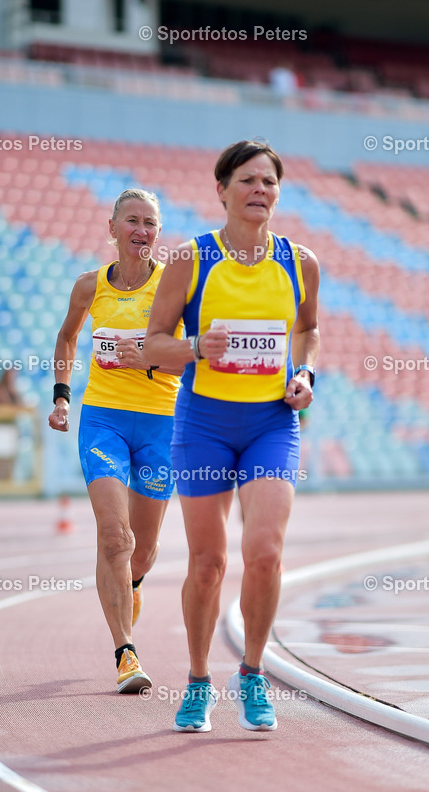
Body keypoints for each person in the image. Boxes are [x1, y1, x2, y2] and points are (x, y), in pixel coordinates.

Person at [144, 139, 320, 732]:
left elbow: (309, 333)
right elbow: (152, 345)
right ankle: (197, 681)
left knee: (265, 554)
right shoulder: (190, 261)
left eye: (269, 182)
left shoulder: (301, 262)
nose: (259, 191)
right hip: (205, 424)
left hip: (272, 421)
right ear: (221, 189)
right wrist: (196, 347)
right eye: (247, 181)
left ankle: (251, 673)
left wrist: (305, 374)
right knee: (208, 563)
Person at [48, 188, 183, 694]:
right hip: (103, 420)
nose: (142, 231)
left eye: (151, 223)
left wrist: (146, 358)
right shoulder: (90, 286)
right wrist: (62, 395)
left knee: (142, 552)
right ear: (112, 229)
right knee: (115, 537)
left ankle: (130, 586)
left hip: (159, 424)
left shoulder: (174, 287)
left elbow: (192, 358)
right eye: (133, 221)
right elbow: (67, 337)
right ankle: (126, 652)